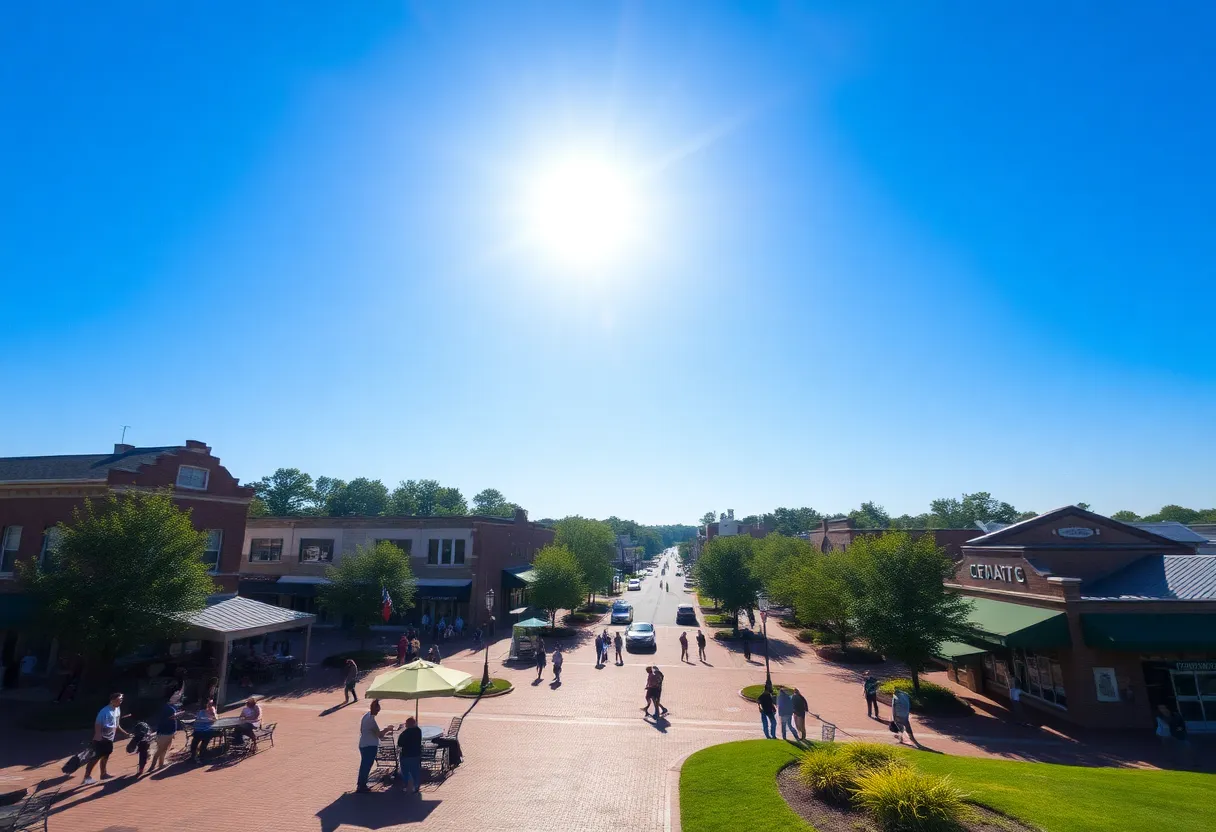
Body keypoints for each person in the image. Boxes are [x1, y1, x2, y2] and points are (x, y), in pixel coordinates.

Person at [82, 692, 128, 784]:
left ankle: (103, 774)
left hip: (109, 739)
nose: (121, 701)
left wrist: (125, 733)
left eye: (121, 699)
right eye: (119, 699)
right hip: (101, 738)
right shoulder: (104, 711)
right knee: (96, 757)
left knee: (105, 756)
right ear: (112, 701)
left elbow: (117, 725)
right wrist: (98, 737)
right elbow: (98, 724)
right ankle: (86, 777)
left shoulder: (117, 709)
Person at [356, 700, 393, 793]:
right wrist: (387, 729)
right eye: (377, 711)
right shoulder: (371, 721)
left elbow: (362, 729)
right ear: (375, 709)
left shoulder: (365, 716)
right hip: (370, 745)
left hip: (363, 743)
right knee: (367, 765)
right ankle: (362, 786)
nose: (377, 713)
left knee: (364, 765)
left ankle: (360, 783)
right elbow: (380, 735)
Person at [149, 690, 180, 773]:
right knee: (160, 749)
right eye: (175, 695)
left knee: (164, 749)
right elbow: (165, 719)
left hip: (169, 731)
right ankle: (152, 766)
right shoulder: (166, 707)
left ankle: (160, 765)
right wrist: (174, 716)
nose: (178, 696)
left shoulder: (172, 706)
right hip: (164, 732)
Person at [397, 716, 423, 793]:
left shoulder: (405, 733)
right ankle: (416, 785)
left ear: (407, 724)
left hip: (406, 755)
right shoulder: (418, 731)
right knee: (415, 771)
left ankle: (406, 785)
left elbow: (400, 743)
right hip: (416, 754)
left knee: (405, 771)